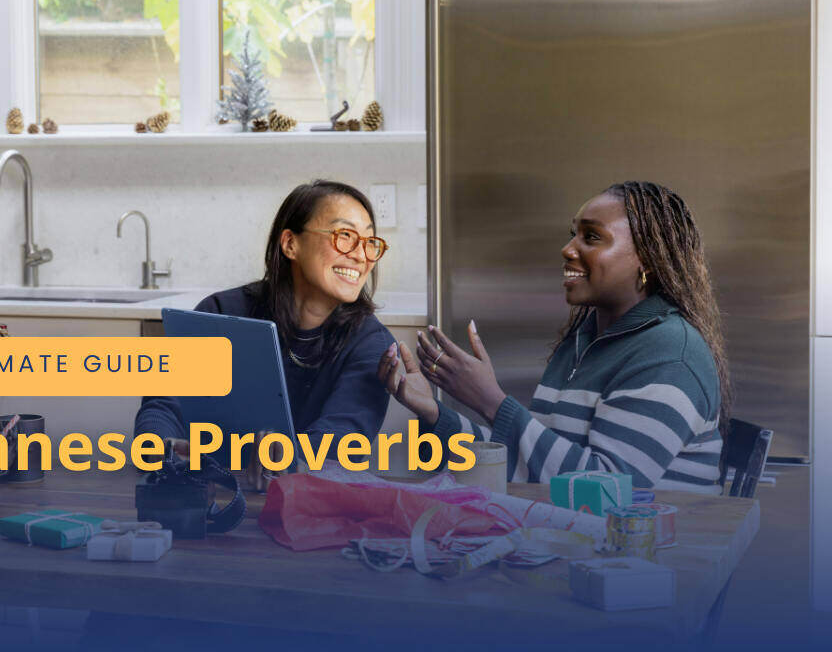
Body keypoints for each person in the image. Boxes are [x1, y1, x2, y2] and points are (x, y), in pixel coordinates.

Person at [379, 181, 728, 492]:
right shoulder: (584, 340)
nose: (567, 248)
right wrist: (434, 414)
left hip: (652, 556)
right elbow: (535, 461)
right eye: (572, 234)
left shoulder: (669, 354)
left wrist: (491, 402)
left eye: (591, 237)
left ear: (648, 260)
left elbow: (610, 491)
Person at [135, 179, 394, 446]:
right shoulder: (220, 314)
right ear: (290, 244)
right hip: (210, 483)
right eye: (345, 236)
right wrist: (161, 445)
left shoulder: (372, 344)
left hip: (307, 488)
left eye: (369, 242)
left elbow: (342, 440)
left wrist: (285, 459)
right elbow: (164, 404)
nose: (362, 256)